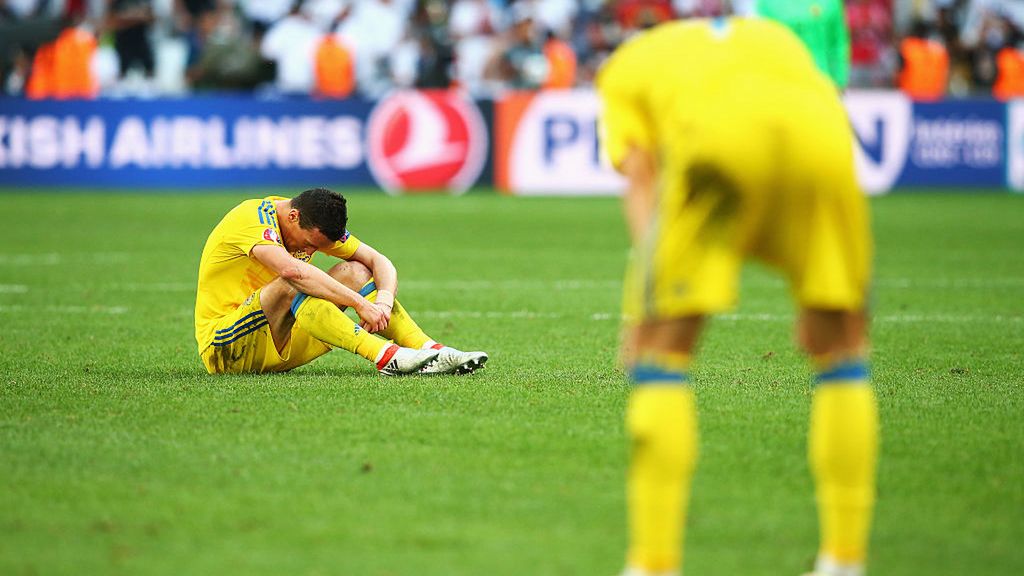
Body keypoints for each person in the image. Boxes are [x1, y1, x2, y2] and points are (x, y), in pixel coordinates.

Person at [597, 17, 877, 576]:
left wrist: (646, 308)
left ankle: (653, 564)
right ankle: (844, 559)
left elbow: (642, 180)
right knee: (843, 347)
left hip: (716, 138)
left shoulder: (620, 74)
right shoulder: (769, 38)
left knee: (662, 351)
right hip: (823, 130)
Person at [195, 188, 488, 377]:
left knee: (357, 271)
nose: (310, 251)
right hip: (227, 348)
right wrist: (360, 304)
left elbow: (378, 261)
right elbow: (292, 272)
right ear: (293, 216)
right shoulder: (252, 218)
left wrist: (383, 301)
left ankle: (431, 350)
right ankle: (387, 357)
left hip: (280, 343)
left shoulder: (309, 221)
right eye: (310, 244)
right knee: (293, 278)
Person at [754, 0, 850, 90]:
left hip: (820, 81)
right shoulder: (767, 3)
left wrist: (839, 80)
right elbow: (763, 44)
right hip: (781, 82)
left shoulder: (830, 2)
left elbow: (837, 42)